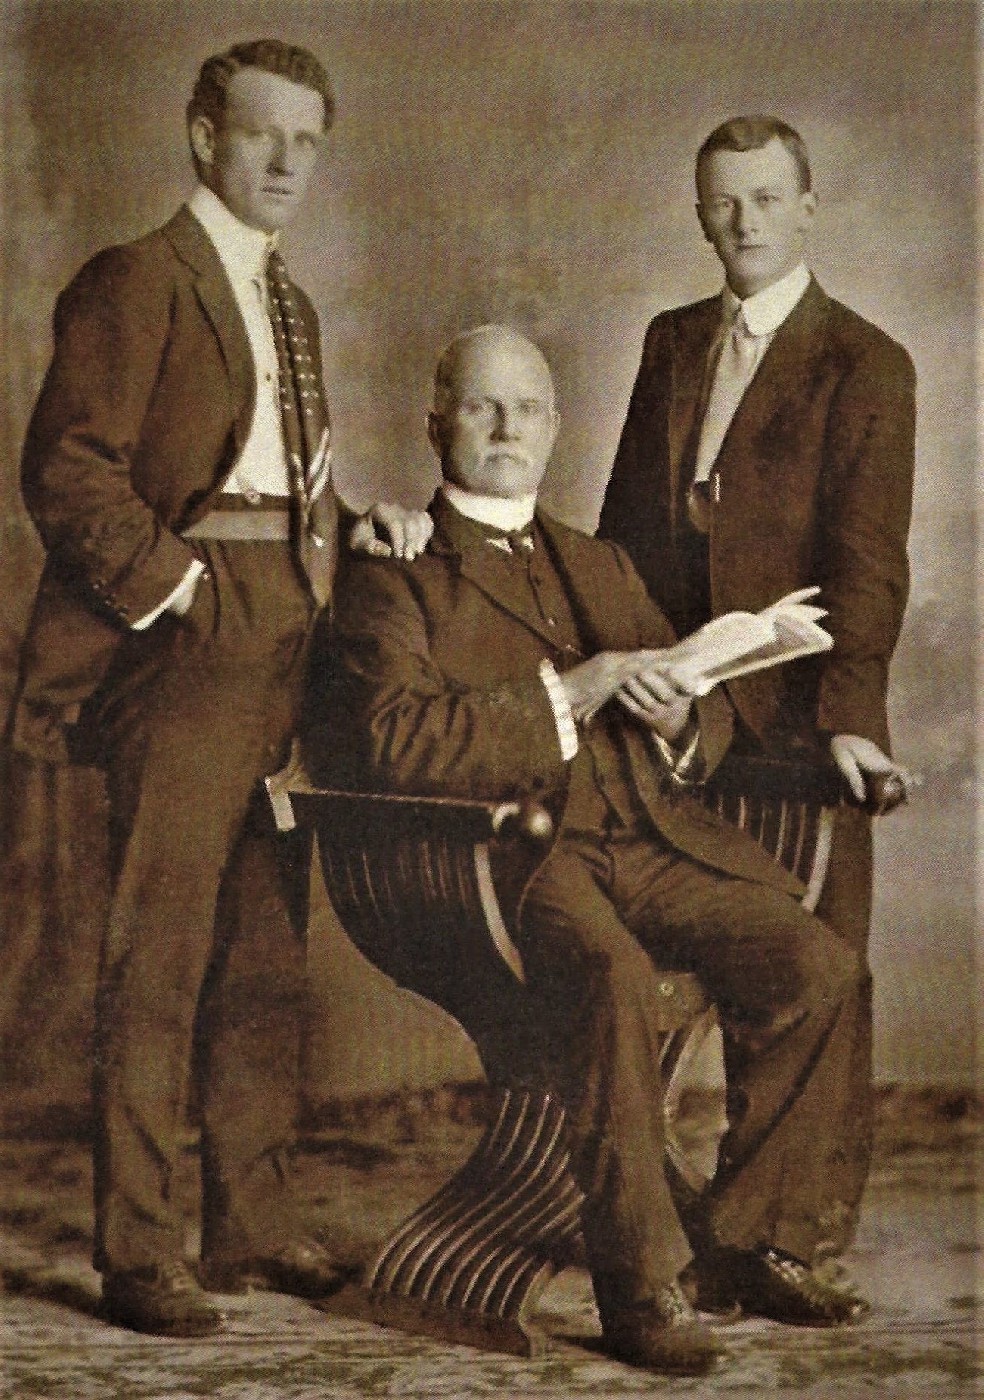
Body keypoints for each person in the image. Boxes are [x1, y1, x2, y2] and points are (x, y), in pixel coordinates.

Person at [321, 323, 869, 1378]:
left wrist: (672, 717)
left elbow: (700, 723)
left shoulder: (597, 559)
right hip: (514, 862)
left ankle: (749, 1238)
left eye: (527, 408)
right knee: (613, 975)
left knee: (819, 962)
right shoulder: (396, 572)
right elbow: (398, 740)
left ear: (557, 428)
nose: (506, 428)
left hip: (644, 837)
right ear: (438, 421)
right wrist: (573, 690)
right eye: (481, 406)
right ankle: (640, 1280)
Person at [7, 38, 430, 1337]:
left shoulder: (288, 302)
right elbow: (69, 470)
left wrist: (363, 530)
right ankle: (140, 1250)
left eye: (310, 138)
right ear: (203, 137)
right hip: (184, 644)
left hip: (289, 634)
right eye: (262, 136)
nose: (291, 161)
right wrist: (180, 591)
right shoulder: (136, 280)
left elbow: (276, 481)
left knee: (261, 947)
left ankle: (245, 1229)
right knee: (163, 950)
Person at [598, 115, 915, 1263]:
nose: (745, 223)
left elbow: (872, 566)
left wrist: (851, 722)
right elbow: (623, 534)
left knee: (818, 969)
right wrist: (614, 667)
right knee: (693, 951)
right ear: (700, 215)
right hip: (672, 715)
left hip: (794, 716)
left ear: (809, 208)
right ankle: (703, 1221)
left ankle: (788, 1235)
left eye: (768, 200)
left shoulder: (866, 361)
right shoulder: (671, 339)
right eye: (724, 203)